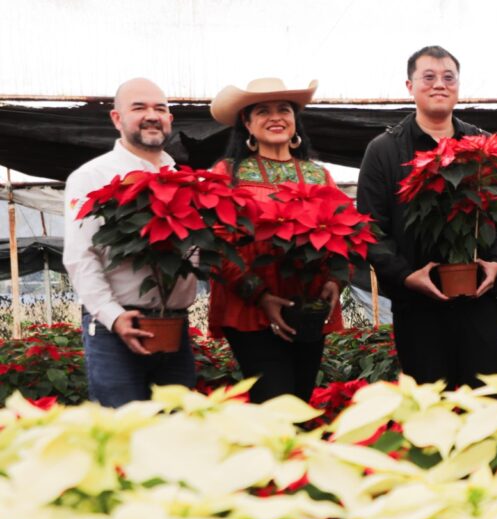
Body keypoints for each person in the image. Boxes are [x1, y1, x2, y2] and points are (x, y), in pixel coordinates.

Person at [357, 45, 497, 388]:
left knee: (486, 406)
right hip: (418, 310)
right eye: (428, 77)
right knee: (431, 409)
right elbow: (369, 229)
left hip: (480, 302)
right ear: (409, 86)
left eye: (449, 78)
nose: (439, 85)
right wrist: (405, 275)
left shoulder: (482, 145)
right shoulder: (384, 151)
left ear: (458, 86)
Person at [208, 77, 343, 403]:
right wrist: (261, 295)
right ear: (247, 123)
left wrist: (337, 280)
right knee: (276, 405)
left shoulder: (318, 175)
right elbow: (217, 243)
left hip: (308, 306)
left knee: (299, 404)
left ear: (295, 120)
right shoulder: (227, 173)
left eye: (284, 109)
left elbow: (344, 233)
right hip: (251, 310)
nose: (276, 117)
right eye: (263, 111)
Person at [64, 77, 197, 407]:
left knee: (176, 436)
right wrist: (113, 316)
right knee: (123, 438)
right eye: (139, 107)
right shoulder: (92, 177)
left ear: (170, 120)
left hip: (174, 326)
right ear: (117, 118)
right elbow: (81, 257)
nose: (152, 115)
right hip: (115, 330)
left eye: (160, 108)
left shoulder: (184, 179)